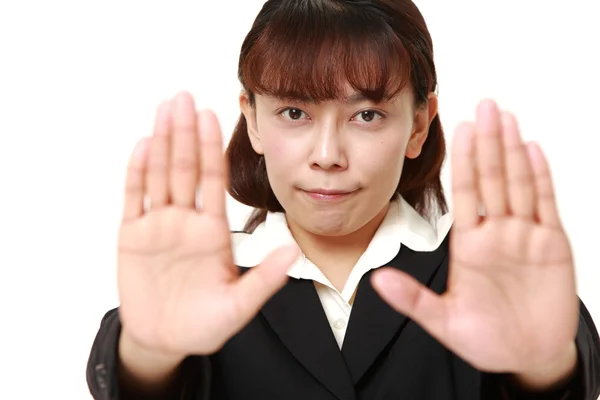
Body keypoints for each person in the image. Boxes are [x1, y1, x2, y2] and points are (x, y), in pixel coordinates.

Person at [86, 0, 600, 399]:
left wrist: (544, 369)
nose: (328, 155)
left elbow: (559, 373)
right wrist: (149, 356)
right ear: (252, 119)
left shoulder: (491, 278)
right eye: (294, 112)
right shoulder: (196, 283)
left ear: (419, 123)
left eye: (366, 115)